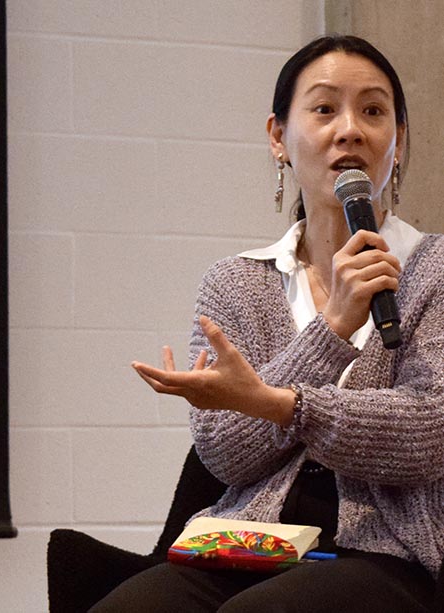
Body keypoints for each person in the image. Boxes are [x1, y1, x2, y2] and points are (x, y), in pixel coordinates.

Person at [92, 35, 444, 612]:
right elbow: (224, 455)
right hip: (250, 545)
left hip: (390, 554)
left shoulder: (436, 270)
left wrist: (281, 403)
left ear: (397, 142)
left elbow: (429, 433)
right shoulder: (236, 283)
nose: (350, 129)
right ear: (279, 137)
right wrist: (330, 332)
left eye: (374, 111)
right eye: (325, 108)